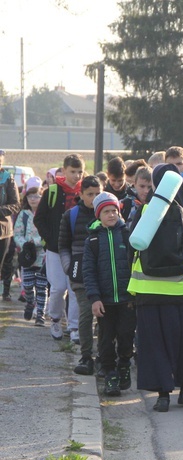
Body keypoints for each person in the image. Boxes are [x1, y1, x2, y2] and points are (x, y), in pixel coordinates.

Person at [128, 163, 183, 412]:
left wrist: (129, 290)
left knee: (155, 343)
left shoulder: (147, 210)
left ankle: (163, 396)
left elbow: (133, 247)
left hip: (149, 293)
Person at [83, 192, 136, 397]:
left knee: (126, 336)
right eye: (106, 211)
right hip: (104, 301)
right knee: (105, 341)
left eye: (114, 210)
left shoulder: (127, 235)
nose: (111, 214)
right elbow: (89, 271)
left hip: (126, 300)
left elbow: (135, 265)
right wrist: (94, 298)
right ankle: (110, 374)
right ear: (99, 215)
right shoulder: (93, 240)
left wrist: (134, 295)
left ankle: (124, 364)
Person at [35, 154, 84, 340]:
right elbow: (39, 218)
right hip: (55, 248)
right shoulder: (53, 191)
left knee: (74, 289)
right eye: (73, 172)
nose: (77, 176)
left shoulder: (84, 192)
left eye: (80, 172)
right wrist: (50, 238)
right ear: (64, 171)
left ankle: (73, 327)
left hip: (77, 249)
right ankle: (55, 319)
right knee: (58, 287)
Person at [59, 175, 102, 374]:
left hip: (103, 273)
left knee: (105, 315)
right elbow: (63, 246)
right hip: (80, 273)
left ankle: (103, 355)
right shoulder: (71, 215)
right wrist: (69, 267)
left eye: (98, 194)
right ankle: (86, 356)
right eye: (90, 194)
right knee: (86, 313)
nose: (94, 198)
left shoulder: (108, 212)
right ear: (81, 194)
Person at [13, 186, 46, 326]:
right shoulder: (24, 214)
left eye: (36, 196)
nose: (33, 199)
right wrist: (24, 244)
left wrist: (37, 242)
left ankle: (40, 315)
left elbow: (47, 234)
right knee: (27, 285)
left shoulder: (45, 214)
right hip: (26, 255)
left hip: (42, 254)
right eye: (30, 196)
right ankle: (30, 303)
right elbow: (17, 233)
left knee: (41, 286)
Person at [0, 149, 21, 302]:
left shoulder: (8, 179)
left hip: (3, 229)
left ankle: (5, 291)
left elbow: (15, 205)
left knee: (4, 262)